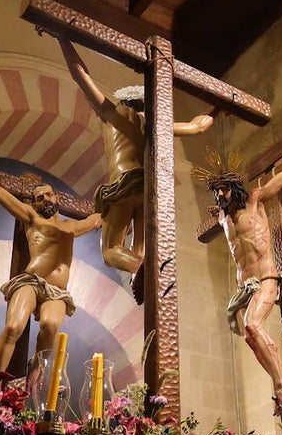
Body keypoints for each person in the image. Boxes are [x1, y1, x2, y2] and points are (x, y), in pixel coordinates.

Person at [53, 33, 215, 303]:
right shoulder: (153, 124)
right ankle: (142, 272)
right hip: (148, 188)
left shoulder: (111, 113)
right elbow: (198, 126)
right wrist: (219, 106)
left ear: (124, 102)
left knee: (111, 250)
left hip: (124, 183)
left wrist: (62, 37)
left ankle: (140, 269)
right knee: (140, 249)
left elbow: (80, 73)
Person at [197, 127, 282, 416]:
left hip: (267, 278)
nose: (220, 194)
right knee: (251, 337)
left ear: (235, 187)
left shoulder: (254, 200)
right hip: (245, 287)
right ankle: (281, 382)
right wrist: (214, 212)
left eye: (224, 189)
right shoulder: (223, 218)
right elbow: (214, 221)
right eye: (216, 191)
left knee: (253, 325)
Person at [0, 147, 102, 390]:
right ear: (34, 203)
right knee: (13, 327)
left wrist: (118, 209)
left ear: (56, 198)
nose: (45, 199)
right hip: (32, 281)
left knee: (51, 326)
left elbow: (99, 218)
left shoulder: (71, 227)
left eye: (49, 195)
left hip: (57, 291)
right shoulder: (32, 218)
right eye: (40, 197)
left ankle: (35, 371)